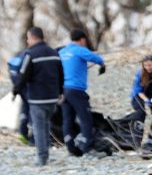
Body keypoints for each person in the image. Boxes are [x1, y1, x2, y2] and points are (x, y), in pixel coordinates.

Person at [12, 27, 64, 166]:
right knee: (46, 125)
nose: (27, 41)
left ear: (33, 37)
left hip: (37, 98)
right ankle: (46, 153)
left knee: (39, 128)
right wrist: (60, 92)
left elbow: (23, 75)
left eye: (28, 38)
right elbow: (61, 74)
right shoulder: (54, 52)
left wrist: (15, 90)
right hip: (52, 98)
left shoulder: (31, 54)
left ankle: (42, 158)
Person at [58, 29, 106, 157]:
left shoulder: (62, 51)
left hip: (63, 90)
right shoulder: (79, 49)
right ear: (82, 40)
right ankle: (87, 149)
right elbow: (97, 58)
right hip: (76, 90)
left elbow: (72, 66)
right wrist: (102, 65)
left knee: (67, 119)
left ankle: (71, 149)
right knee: (86, 119)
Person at [7, 49, 32, 146]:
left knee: (25, 106)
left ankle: (22, 133)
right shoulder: (30, 54)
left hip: (17, 82)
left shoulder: (19, 54)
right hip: (25, 85)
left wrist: (15, 90)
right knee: (32, 107)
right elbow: (25, 74)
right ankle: (33, 136)